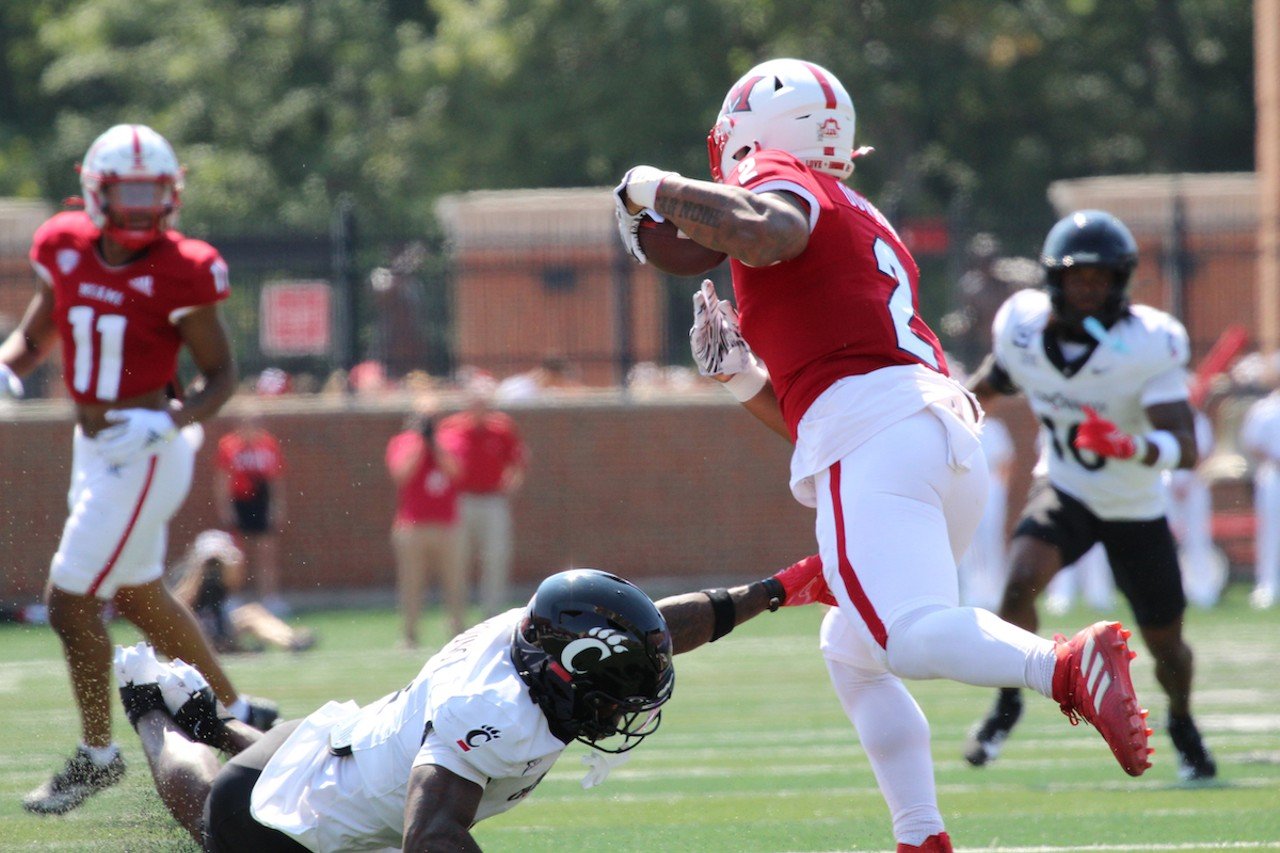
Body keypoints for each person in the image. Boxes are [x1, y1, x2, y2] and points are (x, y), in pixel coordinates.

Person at [613, 59, 1151, 852]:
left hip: (882, 439)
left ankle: (1065, 664)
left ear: (759, 132)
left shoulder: (781, 175)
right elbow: (821, 406)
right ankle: (921, 836)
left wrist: (649, 186)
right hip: (931, 437)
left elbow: (767, 234)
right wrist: (740, 378)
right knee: (854, 648)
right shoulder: (858, 208)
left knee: (904, 634)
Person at [112, 557, 830, 850]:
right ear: (566, 672)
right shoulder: (495, 715)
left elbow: (657, 629)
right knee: (210, 809)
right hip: (295, 828)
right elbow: (429, 835)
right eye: (611, 699)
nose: (617, 714)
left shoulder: (540, 629)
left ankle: (210, 719)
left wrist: (773, 589)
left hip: (349, 740)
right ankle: (151, 708)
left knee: (279, 757)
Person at [0, 123, 276, 815]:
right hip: (92, 448)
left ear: (172, 192)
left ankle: (98, 754)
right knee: (138, 593)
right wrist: (6, 365)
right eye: (127, 190)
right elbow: (37, 334)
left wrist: (171, 419)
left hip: (146, 449)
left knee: (68, 600)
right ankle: (242, 712)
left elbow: (221, 374)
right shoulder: (62, 245)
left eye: (152, 190)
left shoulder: (185, 265)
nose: (141, 205)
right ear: (96, 190)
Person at [961, 209, 1216, 782]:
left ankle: (1182, 722)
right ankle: (1006, 704)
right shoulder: (1023, 328)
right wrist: (946, 416)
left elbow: (1187, 446)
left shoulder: (1146, 343)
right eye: (1080, 276)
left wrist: (1131, 446)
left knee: (1167, 645)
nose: (1091, 288)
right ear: (1055, 278)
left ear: (1121, 280)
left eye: (1103, 277)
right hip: (1067, 486)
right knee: (1016, 583)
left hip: (1134, 504)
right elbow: (988, 387)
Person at [438, 380, 528, 616]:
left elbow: (518, 460)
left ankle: (492, 613)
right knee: (457, 560)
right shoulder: (451, 428)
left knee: (496, 557)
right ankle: (456, 618)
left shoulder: (502, 427)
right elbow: (442, 462)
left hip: (492, 499)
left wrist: (510, 486)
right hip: (461, 500)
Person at [386, 406, 465, 646]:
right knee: (411, 582)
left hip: (447, 525)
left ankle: (458, 633)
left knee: (454, 582)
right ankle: (410, 634)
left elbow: (457, 472)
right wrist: (420, 443)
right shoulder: (402, 442)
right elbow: (402, 474)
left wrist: (435, 444)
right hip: (412, 525)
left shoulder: (450, 440)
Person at [171, 530, 316, 654]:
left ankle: (290, 640)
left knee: (252, 612)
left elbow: (234, 583)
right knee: (247, 616)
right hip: (195, 630)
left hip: (219, 626)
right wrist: (199, 570)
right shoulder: (185, 574)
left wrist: (227, 563)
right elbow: (179, 606)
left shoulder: (222, 576)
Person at [214, 407, 289, 615]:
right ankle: (234, 598)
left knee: (267, 552)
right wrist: (226, 509)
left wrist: (277, 505)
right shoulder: (228, 445)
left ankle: (270, 598)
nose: (253, 427)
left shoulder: (268, 444)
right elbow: (223, 479)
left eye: (257, 422)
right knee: (236, 555)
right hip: (240, 501)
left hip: (262, 500)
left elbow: (275, 478)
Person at [1166, 408, 1228, 608]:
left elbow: (1204, 451)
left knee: (1197, 538)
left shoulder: (1197, 419)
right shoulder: (1160, 417)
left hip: (1193, 484)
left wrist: (1186, 478)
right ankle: (1167, 591)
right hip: (1165, 484)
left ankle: (1202, 590)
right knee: (1163, 540)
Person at [957, 414, 1014, 610]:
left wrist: (1001, 491)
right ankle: (973, 593)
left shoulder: (994, 426)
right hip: (965, 484)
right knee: (968, 542)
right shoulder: (958, 423)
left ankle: (995, 593)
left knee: (992, 539)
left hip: (991, 484)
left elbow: (1005, 461)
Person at [1240, 387, 1280, 609]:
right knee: (1270, 531)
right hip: (1273, 473)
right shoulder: (1265, 409)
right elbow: (1252, 442)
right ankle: (1268, 586)